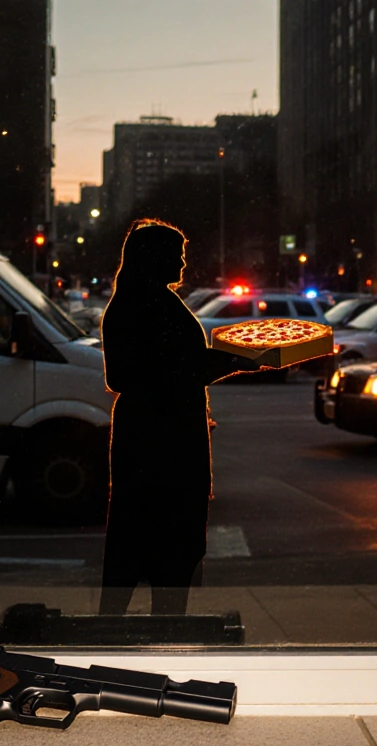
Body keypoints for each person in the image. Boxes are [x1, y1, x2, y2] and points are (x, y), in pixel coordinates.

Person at [98, 220, 280, 616]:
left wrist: (230, 360)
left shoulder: (144, 301)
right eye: (176, 254)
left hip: (156, 437)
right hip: (160, 443)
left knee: (144, 543)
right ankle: (158, 632)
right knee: (165, 542)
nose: (182, 263)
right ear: (154, 258)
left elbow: (176, 364)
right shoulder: (142, 305)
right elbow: (155, 370)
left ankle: (130, 628)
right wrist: (236, 361)